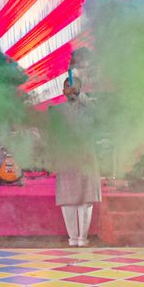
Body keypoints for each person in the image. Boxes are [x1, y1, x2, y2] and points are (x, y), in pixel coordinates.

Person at [53, 76, 103, 247]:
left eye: (74, 86)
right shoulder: (59, 110)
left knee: (85, 199)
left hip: (86, 157)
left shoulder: (90, 106)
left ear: (81, 89)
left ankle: (83, 237)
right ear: (63, 91)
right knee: (68, 199)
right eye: (67, 86)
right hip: (67, 158)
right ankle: (72, 238)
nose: (71, 89)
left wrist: (81, 95)